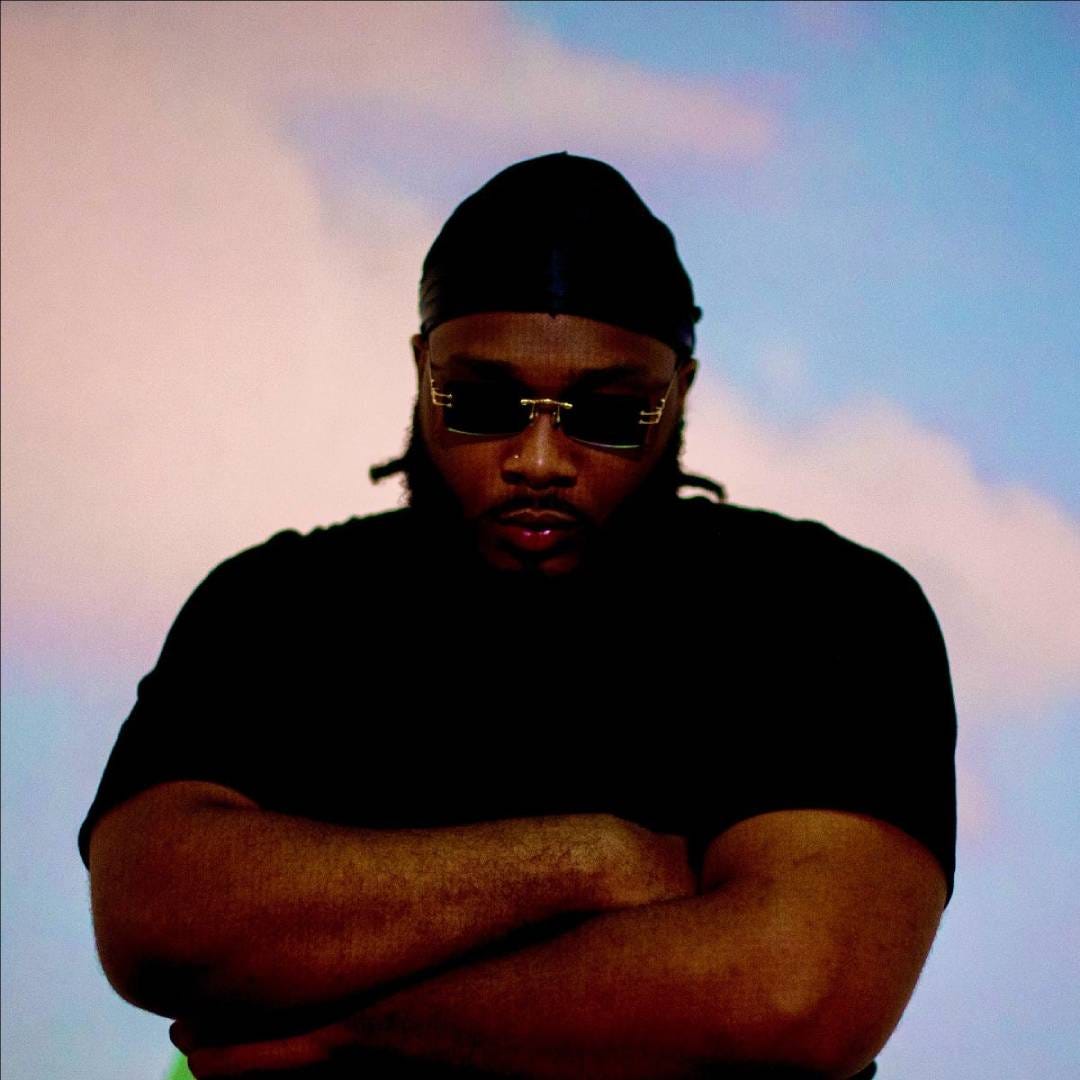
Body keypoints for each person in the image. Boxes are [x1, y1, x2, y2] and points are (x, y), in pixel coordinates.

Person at [80, 152, 957, 1080]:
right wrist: (585, 861)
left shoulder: (822, 609)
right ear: (421, 370)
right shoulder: (276, 607)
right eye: (482, 403)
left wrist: (352, 1024)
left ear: (680, 395)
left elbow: (795, 994)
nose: (538, 460)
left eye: (607, 414)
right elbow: (156, 918)